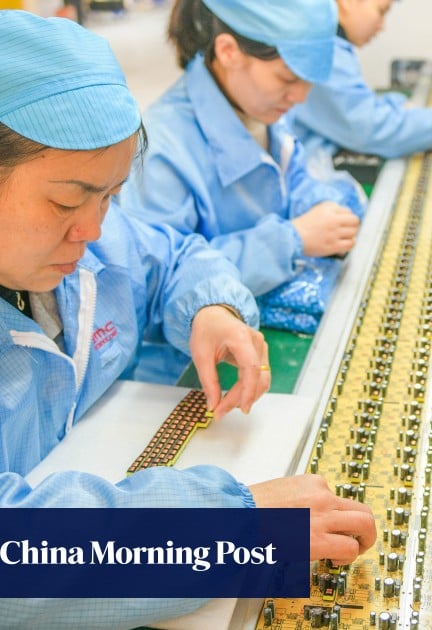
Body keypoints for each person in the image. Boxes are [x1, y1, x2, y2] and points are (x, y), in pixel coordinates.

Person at [0, 11, 375, 628]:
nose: (92, 231)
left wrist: (210, 307)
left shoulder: (58, 235)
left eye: (109, 196)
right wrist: (236, 533)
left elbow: (170, 256)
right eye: (67, 201)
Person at [117, 0, 364, 368]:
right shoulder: (163, 149)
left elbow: (291, 178)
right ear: (229, 51)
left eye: (309, 81)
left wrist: (318, 204)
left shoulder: (255, 104)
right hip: (187, 368)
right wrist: (290, 240)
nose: (300, 96)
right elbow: (159, 285)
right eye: (288, 79)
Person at [289, 0, 432, 164]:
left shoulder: (328, 43)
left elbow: (356, 105)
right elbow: (367, 128)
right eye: (381, 11)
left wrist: (400, 108)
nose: (382, 26)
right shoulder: (322, 52)